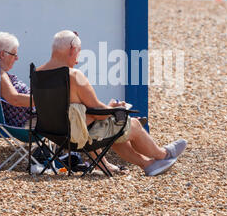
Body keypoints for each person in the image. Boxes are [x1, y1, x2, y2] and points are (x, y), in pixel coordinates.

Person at [37, 30, 187, 176]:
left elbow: (60, 109)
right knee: (132, 124)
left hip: (56, 136)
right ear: (72, 49)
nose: (78, 58)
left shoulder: (37, 74)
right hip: (81, 137)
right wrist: (113, 108)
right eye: (79, 52)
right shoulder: (74, 75)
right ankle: (163, 154)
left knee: (114, 133)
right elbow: (99, 113)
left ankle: (148, 165)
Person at [0, 31, 122, 173]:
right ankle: (111, 125)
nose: (17, 58)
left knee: (79, 110)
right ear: (3, 54)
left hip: (31, 117)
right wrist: (46, 99)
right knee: (81, 113)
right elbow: (14, 99)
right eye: (14, 54)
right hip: (30, 123)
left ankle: (102, 160)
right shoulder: (0, 74)